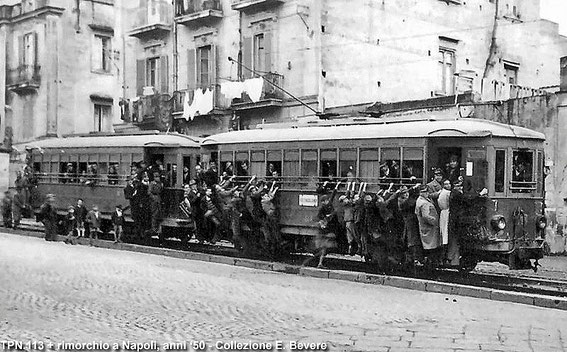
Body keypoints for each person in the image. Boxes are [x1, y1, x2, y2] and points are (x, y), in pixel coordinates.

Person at [303, 181, 341, 269]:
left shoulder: (329, 205)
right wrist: (322, 222)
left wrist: (336, 187)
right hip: (325, 231)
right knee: (324, 248)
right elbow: (318, 218)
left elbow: (332, 196)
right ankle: (319, 263)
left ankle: (319, 262)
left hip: (327, 231)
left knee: (324, 249)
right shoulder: (323, 209)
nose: (326, 202)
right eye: (325, 201)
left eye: (326, 201)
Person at [415, 185, 442, 265]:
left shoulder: (421, 200)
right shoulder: (424, 203)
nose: (427, 193)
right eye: (424, 192)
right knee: (431, 247)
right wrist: (436, 222)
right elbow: (426, 216)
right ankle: (431, 264)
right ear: (420, 193)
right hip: (430, 228)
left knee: (429, 247)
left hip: (425, 227)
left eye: (427, 191)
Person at [261, 181, 281, 256]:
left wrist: (273, 185)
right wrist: (275, 189)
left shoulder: (265, 199)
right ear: (263, 197)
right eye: (265, 196)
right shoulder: (264, 200)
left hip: (271, 215)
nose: (266, 196)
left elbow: (269, 193)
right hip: (271, 216)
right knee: (273, 231)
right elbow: (271, 196)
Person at [438, 179, 452, 260]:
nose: (448, 185)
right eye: (446, 184)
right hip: (446, 213)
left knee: (444, 232)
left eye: (449, 184)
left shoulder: (442, 192)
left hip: (444, 213)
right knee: (445, 232)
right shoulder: (447, 193)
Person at [148, 170, 164, 235]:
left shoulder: (160, 184)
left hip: (158, 199)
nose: (158, 178)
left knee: (158, 213)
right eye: (156, 177)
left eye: (158, 177)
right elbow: (149, 192)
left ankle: (158, 228)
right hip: (154, 200)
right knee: (154, 214)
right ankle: (153, 228)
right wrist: (153, 198)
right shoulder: (152, 183)